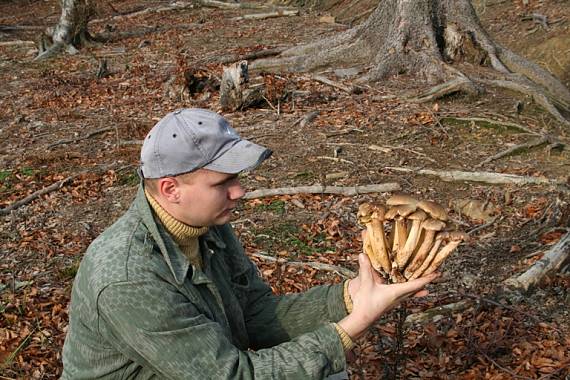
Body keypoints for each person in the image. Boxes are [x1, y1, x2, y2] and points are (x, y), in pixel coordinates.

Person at [61, 108, 438, 379]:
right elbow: (233, 375)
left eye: (237, 177)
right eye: (222, 183)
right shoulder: (129, 278)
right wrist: (354, 325)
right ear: (170, 189)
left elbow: (256, 314)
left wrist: (350, 296)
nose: (239, 191)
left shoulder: (205, 225)